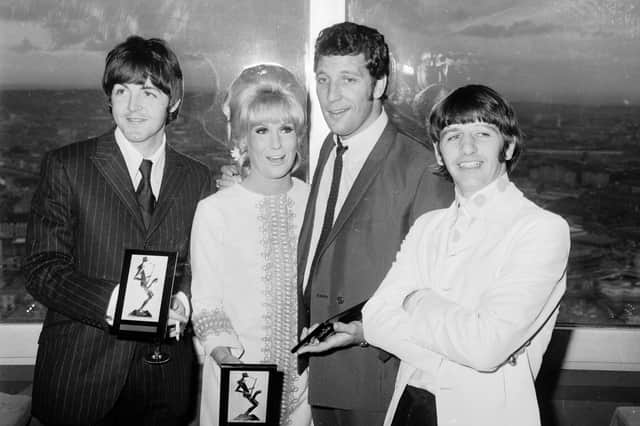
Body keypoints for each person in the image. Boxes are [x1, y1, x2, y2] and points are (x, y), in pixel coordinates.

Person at [22, 35, 212, 425]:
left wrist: (183, 300)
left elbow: (200, 264)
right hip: (81, 374)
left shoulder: (197, 177)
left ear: (173, 101)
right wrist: (116, 304)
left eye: (148, 92)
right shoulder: (67, 166)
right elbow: (42, 267)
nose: (132, 106)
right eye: (121, 91)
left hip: (166, 382)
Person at [362, 84, 570, 426]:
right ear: (439, 152)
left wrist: (415, 300)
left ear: (509, 145)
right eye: (453, 135)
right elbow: (374, 320)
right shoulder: (427, 226)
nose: (467, 147)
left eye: (483, 133)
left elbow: (485, 348)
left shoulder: (541, 229)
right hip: (408, 410)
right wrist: (467, 356)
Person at [290, 22, 452, 425]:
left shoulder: (422, 171)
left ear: (378, 85)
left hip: (379, 382)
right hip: (323, 378)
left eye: (348, 79)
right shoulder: (329, 147)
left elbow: (435, 289)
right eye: (323, 80)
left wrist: (364, 332)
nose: (330, 97)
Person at [190, 64, 312, 426]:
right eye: (262, 130)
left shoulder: (317, 202)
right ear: (243, 140)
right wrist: (238, 375)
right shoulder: (215, 211)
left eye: (285, 129)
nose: (276, 144)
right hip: (238, 387)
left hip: (308, 389)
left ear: (298, 138)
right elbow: (207, 304)